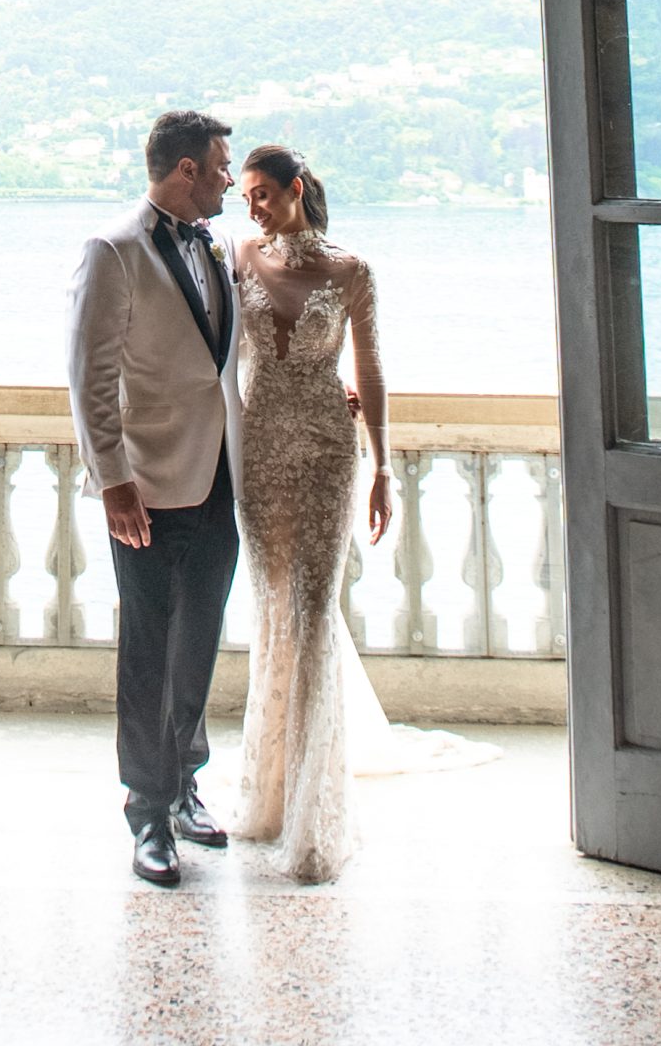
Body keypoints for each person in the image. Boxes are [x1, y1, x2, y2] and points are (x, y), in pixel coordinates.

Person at [65, 109, 241, 889]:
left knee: (199, 636)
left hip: (221, 478)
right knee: (149, 648)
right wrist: (112, 481)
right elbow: (88, 376)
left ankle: (186, 784)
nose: (231, 178)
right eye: (221, 165)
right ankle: (146, 810)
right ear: (185, 171)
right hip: (149, 485)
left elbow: (223, 362)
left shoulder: (221, 245)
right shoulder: (113, 250)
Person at [231, 141, 393, 884]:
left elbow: (371, 370)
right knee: (272, 608)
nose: (253, 204)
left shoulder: (352, 270)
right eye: (247, 195)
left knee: (313, 610)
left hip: (330, 446)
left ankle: (314, 816)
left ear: (296, 188)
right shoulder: (239, 256)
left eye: (264, 191)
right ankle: (266, 797)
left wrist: (383, 465)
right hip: (259, 449)